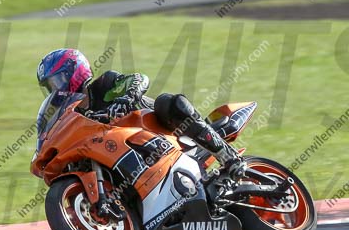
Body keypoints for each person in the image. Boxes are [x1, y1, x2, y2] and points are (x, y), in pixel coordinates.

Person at [35, 48, 244, 177]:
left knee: (169, 102)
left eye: (58, 81)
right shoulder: (74, 114)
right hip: (131, 152)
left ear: (76, 71)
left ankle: (226, 154)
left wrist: (127, 97)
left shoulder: (101, 86)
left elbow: (138, 78)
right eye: (51, 85)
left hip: (163, 130)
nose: (56, 89)